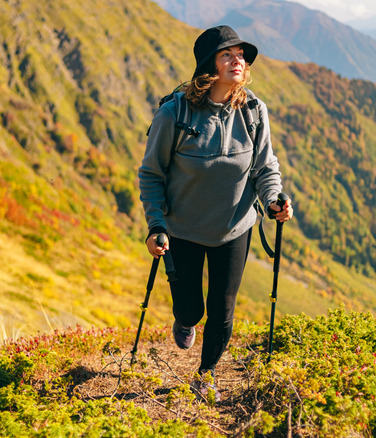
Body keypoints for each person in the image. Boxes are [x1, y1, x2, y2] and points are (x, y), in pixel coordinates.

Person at [138, 25, 293, 401]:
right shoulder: (175, 114)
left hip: (234, 228)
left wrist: (274, 198)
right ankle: (185, 319)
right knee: (192, 309)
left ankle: (205, 375)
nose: (237, 60)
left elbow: (264, 167)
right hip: (183, 230)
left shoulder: (254, 111)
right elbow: (151, 174)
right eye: (228, 54)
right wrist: (156, 224)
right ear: (209, 64)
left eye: (241, 54)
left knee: (222, 311)